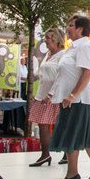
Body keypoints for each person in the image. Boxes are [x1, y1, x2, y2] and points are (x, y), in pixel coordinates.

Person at [44, 16, 90, 179]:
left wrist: (72, 94)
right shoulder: (72, 47)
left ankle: (75, 173)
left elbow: (87, 73)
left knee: (75, 134)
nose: (67, 29)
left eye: (70, 26)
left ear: (80, 29)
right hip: (70, 99)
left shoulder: (85, 46)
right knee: (81, 135)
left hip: (80, 99)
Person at [27, 28, 66, 167]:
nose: (45, 40)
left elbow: (61, 77)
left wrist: (50, 94)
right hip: (42, 94)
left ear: (56, 38)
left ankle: (64, 153)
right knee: (42, 124)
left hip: (54, 96)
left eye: (48, 37)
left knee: (59, 125)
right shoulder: (48, 54)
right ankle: (45, 154)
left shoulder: (63, 54)